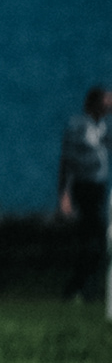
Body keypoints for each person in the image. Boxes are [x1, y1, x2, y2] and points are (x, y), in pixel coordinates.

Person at [64, 86, 110, 301]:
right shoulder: (79, 126)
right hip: (84, 187)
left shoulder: (101, 126)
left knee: (92, 239)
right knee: (95, 237)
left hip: (97, 187)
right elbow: (68, 161)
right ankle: (79, 288)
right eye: (106, 100)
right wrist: (64, 195)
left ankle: (81, 289)